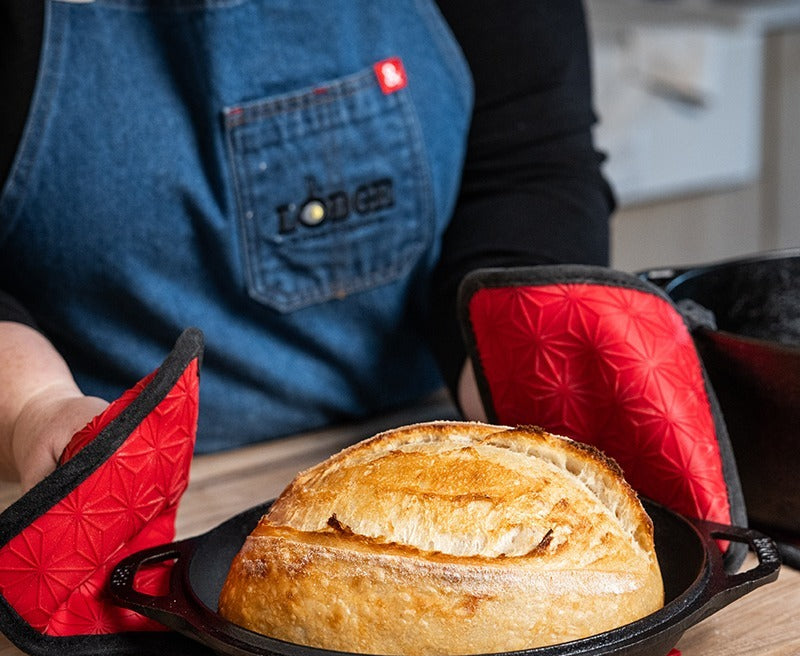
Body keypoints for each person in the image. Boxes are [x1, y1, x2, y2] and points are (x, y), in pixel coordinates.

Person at [0, 0, 613, 491]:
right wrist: (36, 408)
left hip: (440, 443)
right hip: (99, 488)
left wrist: (520, 364)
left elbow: (528, 168)